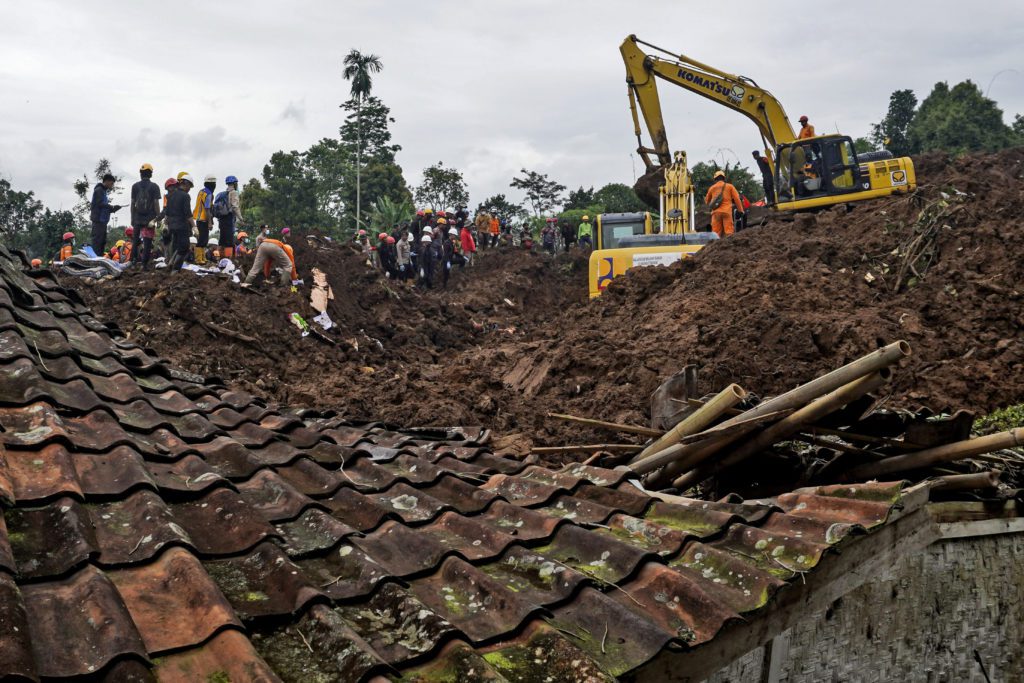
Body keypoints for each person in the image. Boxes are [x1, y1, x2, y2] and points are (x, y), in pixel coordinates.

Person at [129, 164, 161, 265]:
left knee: (135, 242)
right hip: (149, 219)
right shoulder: (154, 186)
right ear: (150, 174)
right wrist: (158, 218)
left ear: (141, 174)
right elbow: (156, 203)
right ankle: (144, 265)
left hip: (137, 218)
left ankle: (133, 263)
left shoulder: (135, 186)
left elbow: (133, 204)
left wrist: (132, 218)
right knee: (147, 242)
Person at [165, 175, 196, 270]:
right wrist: (194, 226)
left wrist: (166, 224)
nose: (189, 189)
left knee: (177, 246)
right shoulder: (185, 196)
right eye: (189, 187)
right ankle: (175, 269)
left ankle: (171, 262)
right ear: (186, 184)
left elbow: (167, 211)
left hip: (171, 226)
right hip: (182, 225)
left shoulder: (170, 195)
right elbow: (188, 213)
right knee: (185, 247)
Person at [89, 173, 122, 256]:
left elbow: (103, 208)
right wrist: (112, 207)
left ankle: (99, 259)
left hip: (103, 221)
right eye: (111, 183)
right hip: (98, 221)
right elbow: (99, 204)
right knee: (97, 242)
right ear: (106, 181)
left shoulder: (103, 192)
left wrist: (113, 209)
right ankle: (95, 261)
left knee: (102, 242)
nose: (112, 185)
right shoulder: (99, 190)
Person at [705, 170, 744, 238]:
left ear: (715, 179)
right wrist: (740, 210)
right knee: (729, 232)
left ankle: (715, 247)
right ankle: (729, 246)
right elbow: (737, 199)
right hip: (726, 212)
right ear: (724, 178)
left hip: (716, 213)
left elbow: (707, 201)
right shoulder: (730, 186)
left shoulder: (712, 188)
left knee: (716, 234)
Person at [216, 175, 242, 259]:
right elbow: (235, 206)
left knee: (222, 240)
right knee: (229, 242)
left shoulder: (222, 194)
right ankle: (228, 259)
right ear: (234, 183)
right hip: (229, 219)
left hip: (221, 220)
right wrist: (240, 218)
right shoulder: (234, 192)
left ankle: (218, 258)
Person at [193, 176, 216, 265]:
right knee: (202, 239)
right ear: (212, 184)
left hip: (198, 218)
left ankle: (203, 258)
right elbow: (207, 209)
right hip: (204, 219)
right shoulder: (209, 194)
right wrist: (210, 222)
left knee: (203, 239)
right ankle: (199, 259)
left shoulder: (201, 191)